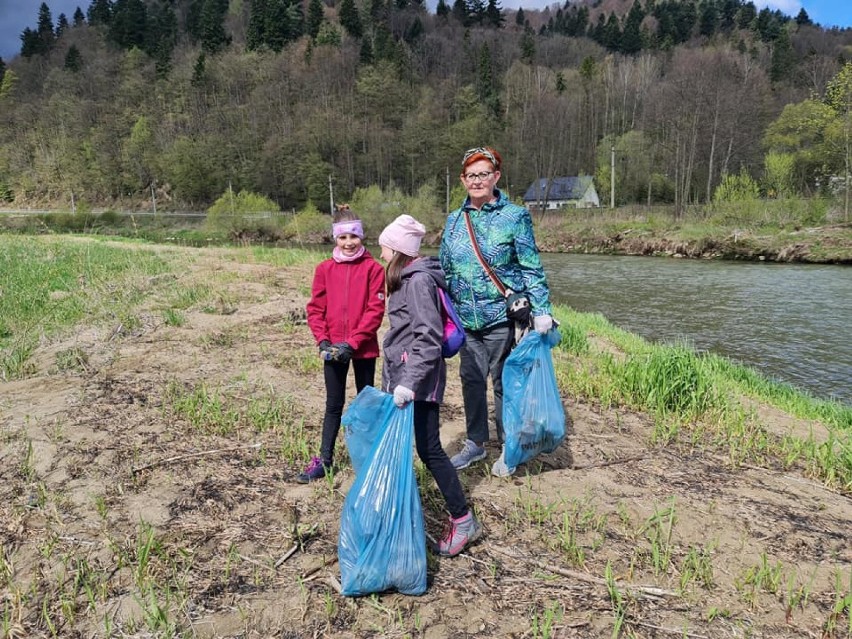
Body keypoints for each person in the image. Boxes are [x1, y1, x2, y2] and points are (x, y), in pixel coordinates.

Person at [439, 146, 554, 478]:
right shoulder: (454, 220)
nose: (477, 181)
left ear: (496, 177)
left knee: (505, 382)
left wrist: (542, 310)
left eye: (483, 174)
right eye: (471, 175)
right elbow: (445, 268)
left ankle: (509, 446)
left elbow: (531, 268)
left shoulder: (515, 216)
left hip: (502, 318)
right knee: (471, 380)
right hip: (465, 320)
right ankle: (476, 443)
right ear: (463, 180)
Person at [378, 214, 483, 557]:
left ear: (397, 250)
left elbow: (428, 338)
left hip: (419, 382)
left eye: (383, 247)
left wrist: (408, 384)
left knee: (430, 450)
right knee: (411, 448)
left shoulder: (418, 282)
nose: (379, 254)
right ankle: (398, 512)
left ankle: (463, 519)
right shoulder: (406, 279)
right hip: (405, 379)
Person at [299, 206, 386, 483]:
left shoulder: (374, 269)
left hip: (363, 348)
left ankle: (369, 457)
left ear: (362, 236)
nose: (348, 243)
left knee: (366, 404)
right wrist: (323, 340)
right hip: (332, 348)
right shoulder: (324, 269)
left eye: (353, 236)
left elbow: (375, 311)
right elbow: (315, 308)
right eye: (342, 237)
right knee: (333, 404)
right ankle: (325, 459)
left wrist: (353, 343)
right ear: (335, 238)